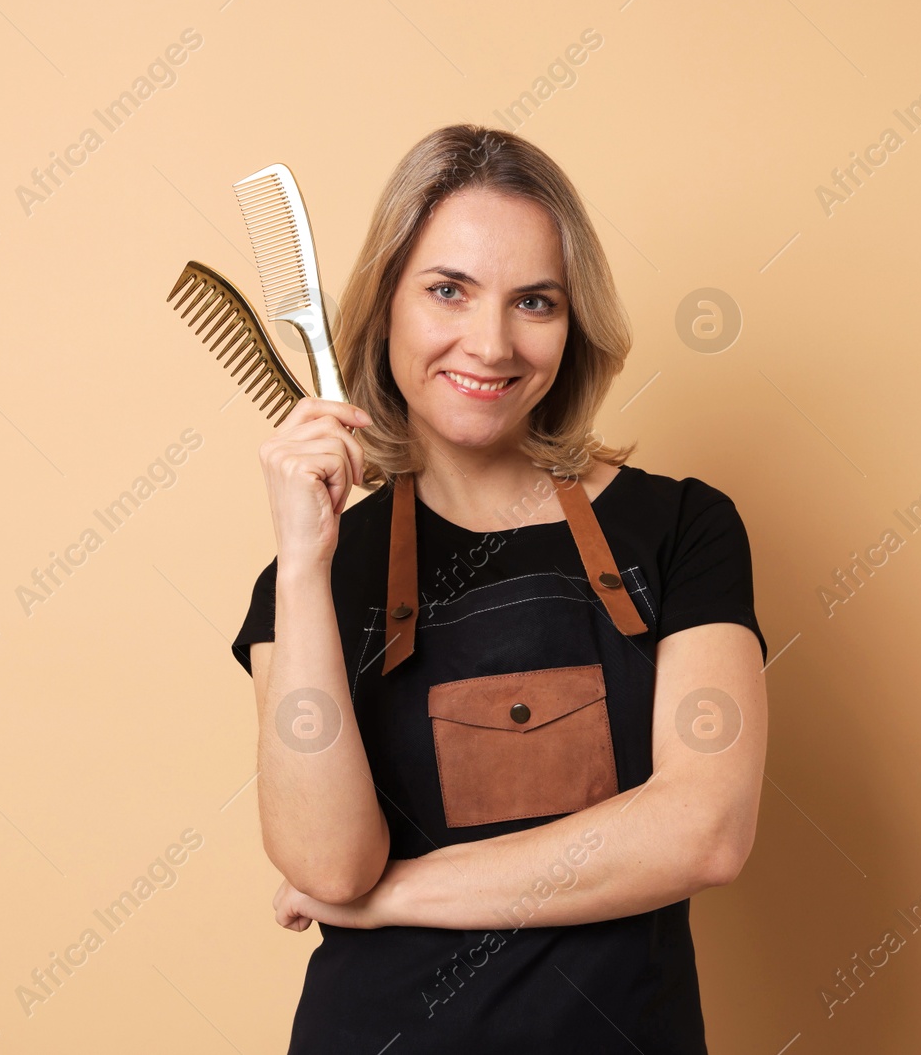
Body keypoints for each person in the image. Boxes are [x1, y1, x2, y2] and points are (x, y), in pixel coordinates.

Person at [232, 122, 768, 1054]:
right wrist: (305, 561)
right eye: (448, 290)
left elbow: (704, 829)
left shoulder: (682, 530)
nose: (491, 342)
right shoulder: (312, 577)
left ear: (574, 323)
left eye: (535, 301)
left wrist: (393, 894)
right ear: (387, 307)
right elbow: (327, 861)